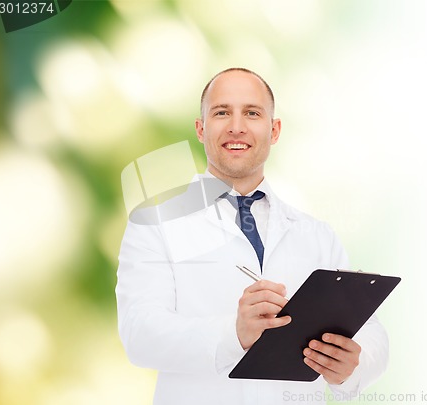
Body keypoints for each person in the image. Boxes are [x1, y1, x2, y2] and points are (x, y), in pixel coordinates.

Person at [116, 68, 389, 404]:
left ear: (274, 130)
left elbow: (371, 332)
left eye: (252, 113)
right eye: (221, 113)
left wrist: (353, 364)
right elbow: (140, 334)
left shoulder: (315, 234)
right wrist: (235, 333)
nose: (236, 126)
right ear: (201, 129)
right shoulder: (155, 224)